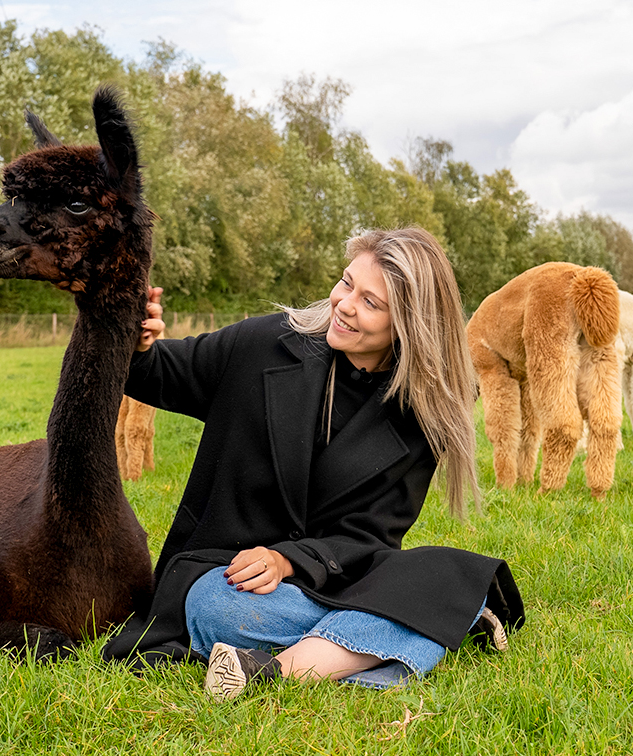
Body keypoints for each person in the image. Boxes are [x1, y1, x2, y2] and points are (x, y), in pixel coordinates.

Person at [101, 227, 524, 700]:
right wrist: (133, 340)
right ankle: (426, 624)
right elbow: (155, 372)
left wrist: (288, 560)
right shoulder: (264, 344)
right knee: (213, 605)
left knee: (447, 568)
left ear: (408, 324)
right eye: (347, 283)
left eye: (371, 303)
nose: (344, 304)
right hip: (234, 576)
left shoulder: (421, 419)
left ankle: (272, 671)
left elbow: (369, 537)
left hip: (333, 578)